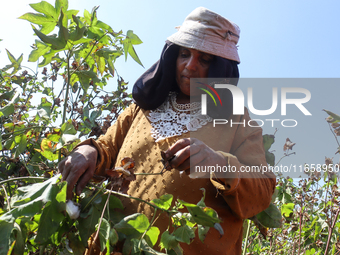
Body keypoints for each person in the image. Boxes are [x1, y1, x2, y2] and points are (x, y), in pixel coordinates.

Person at [59, 7, 276, 255]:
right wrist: (88, 150)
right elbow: (106, 148)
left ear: (221, 69)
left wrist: (219, 163)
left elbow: (261, 192)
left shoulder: (237, 120)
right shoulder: (143, 108)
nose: (190, 66)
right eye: (184, 54)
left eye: (204, 59)